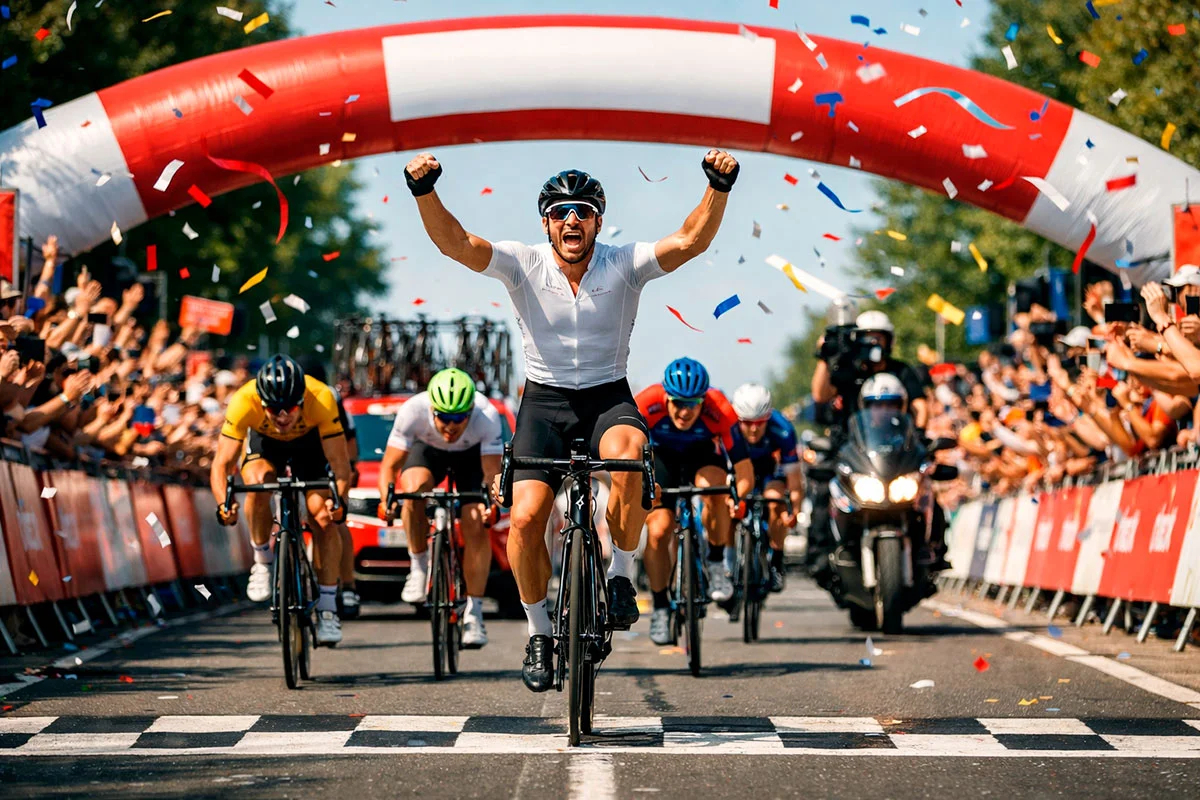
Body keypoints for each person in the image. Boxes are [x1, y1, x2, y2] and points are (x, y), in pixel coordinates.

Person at [404, 146, 739, 691]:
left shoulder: (623, 262)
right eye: (560, 212)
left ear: (598, 221)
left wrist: (716, 187)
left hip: (607, 396)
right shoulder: (523, 263)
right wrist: (425, 192)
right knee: (527, 518)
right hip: (545, 403)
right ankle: (539, 634)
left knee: (630, 456)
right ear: (546, 223)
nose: (571, 220)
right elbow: (457, 245)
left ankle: (622, 577)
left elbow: (688, 240)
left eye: (582, 210)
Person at [210, 355, 354, 645]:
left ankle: (327, 608)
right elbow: (221, 464)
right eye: (274, 409)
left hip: (310, 445)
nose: (283, 416)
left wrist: (339, 501)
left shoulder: (321, 398)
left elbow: (340, 464)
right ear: (261, 403)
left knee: (323, 516)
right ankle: (263, 561)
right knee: (259, 483)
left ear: (302, 400)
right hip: (265, 444)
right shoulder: (243, 400)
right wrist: (223, 503)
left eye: (289, 408)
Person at [376, 368, 503, 649]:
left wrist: (492, 506)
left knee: (474, 521)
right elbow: (390, 466)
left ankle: (474, 613)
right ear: (431, 408)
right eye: (444, 417)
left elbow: (492, 474)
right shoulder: (412, 411)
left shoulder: (487, 416)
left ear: (470, 411)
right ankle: (419, 567)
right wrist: (386, 500)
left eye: (459, 418)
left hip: (471, 458)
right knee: (412, 489)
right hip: (428, 452)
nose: (451, 425)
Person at [636, 358, 754, 646]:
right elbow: (628, 454)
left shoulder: (721, 410)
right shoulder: (646, 404)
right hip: (661, 459)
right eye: (677, 403)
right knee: (659, 529)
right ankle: (661, 605)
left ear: (704, 400)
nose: (684, 411)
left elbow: (743, 469)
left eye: (692, 404)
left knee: (714, 488)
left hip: (702, 457)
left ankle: (715, 564)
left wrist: (738, 498)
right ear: (665, 397)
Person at [808, 310, 928, 582]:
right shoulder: (847, 370)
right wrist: (825, 355)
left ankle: (930, 550)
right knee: (822, 490)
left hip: (897, 453)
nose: (874, 343)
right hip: (852, 450)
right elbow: (820, 394)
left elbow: (920, 406)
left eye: (879, 338)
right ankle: (822, 558)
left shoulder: (902, 371)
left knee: (928, 491)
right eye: (868, 338)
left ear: (889, 341)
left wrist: (919, 436)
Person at [297, 355, 362, 620]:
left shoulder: (329, 398)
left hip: (323, 458)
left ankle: (347, 585)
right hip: (292, 454)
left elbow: (348, 441)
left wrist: (348, 471)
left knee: (333, 519)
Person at [729, 383, 803, 593]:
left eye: (760, 423)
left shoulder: (783, 429)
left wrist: (795, 510)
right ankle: (727, 560)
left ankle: (777, 560)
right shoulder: (728, 426)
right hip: (738, 469)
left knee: (775, 500)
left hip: (769, 471)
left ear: (768, 418)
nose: (754, 429)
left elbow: (795, 480)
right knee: (728, 502)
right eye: (747, 423)